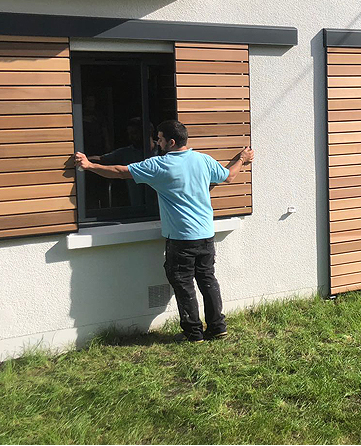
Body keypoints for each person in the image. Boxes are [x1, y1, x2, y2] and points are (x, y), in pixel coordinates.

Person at [74, 120, 255, 342]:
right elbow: (229, 176)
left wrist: (90, 166)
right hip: (206, 235)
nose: (155, 142)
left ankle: (194, 333)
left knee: (183, 283)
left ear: (170, 141)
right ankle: (217, 327)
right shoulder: (203, 160)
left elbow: (121, 172)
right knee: (207, 280)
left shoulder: (159, 165)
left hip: (181, 239)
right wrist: (242, 159)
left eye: (159, 138)